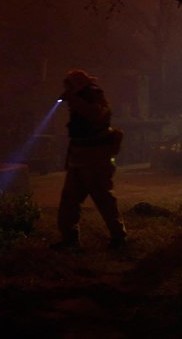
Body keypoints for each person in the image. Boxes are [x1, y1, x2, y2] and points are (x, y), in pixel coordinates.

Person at [52, 69, 127, 251]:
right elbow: (77, 134)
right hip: (79, 158)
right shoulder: (80, 98)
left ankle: (119, 236)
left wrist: (75, 100)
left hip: (95, 159)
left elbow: (98, 115)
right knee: (69, 201)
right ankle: (69, 239)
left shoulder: (93, 95)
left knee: (104, 198)